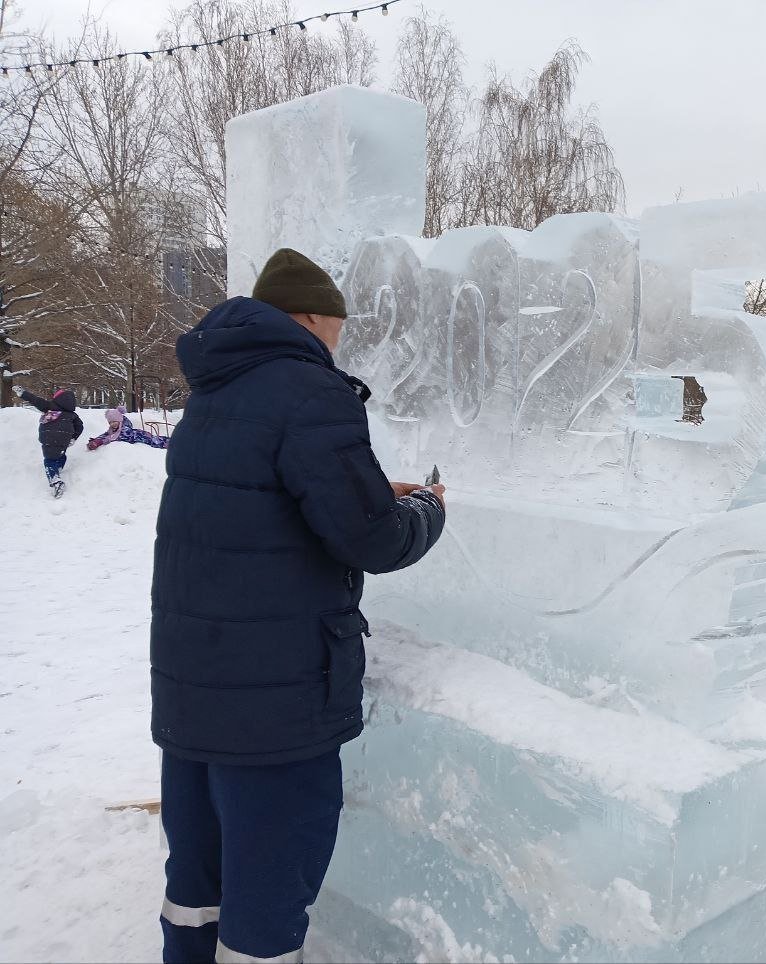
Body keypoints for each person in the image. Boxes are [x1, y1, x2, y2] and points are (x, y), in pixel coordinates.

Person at [151, 248, 447, 964]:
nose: (341, 338)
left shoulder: (216, 390)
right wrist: (426, 512)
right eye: (338, 324)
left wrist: (375, 489)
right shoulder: (309, 391)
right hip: (274, 700)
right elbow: (368, 538)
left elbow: (269, 505)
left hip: (196, 686)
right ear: (313, 317)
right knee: (270, 887)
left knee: (199, 877)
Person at [13, 386, 84, 498]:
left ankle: (56, 481)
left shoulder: (50, 406)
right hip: (64, 438)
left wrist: (23, 393)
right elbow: (80, 427)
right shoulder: (72, 414)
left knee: (49, 460)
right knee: (61, 454)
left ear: (57, 398)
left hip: (48, 437)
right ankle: (58, 468)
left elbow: (35, 400)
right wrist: (73, 438)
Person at [87, 405, 169, 450]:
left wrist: (103, 441)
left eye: (114, 421)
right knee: (154, 439)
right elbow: (107, 434)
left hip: (141, 435)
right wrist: (96, 440)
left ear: (120, 420)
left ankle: (169, 443)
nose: (113, 424)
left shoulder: (125, 429)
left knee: (154, 441)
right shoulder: (112, 430)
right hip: (139, 436)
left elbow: (120, 437)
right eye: (110, 422)